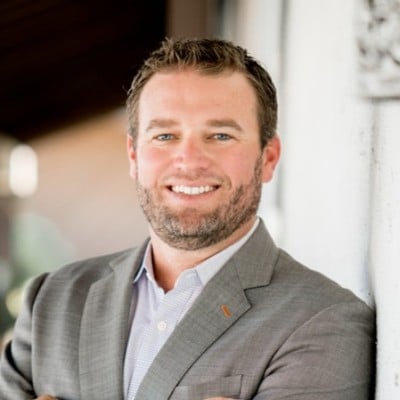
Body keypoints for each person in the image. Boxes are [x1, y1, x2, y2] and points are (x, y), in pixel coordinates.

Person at [0, 38, 374, 400]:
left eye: (220, 135)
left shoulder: (323, 320)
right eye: (165, 136)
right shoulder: (52, 299)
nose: (190, 161)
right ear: (134, 156)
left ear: (268, 157)